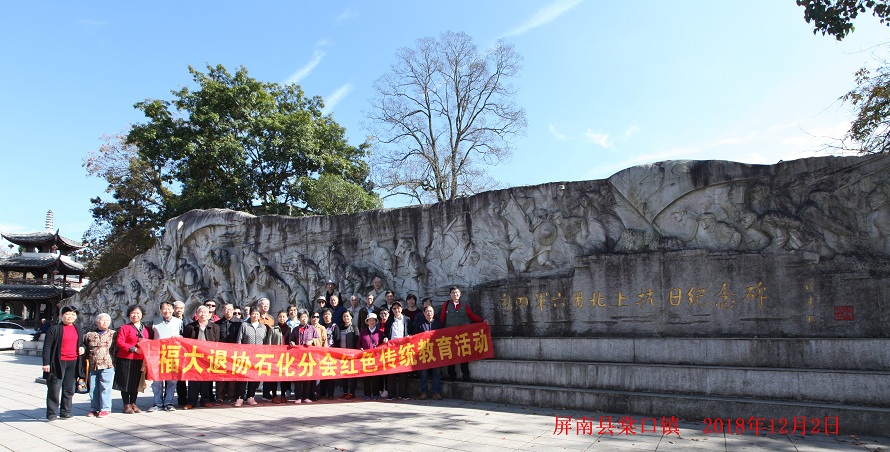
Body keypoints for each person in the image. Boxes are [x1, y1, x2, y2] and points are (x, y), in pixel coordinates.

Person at [42, 306, 85, 421]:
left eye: (73, 314)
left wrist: (82, 348)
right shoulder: (54, 329)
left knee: (69, 388)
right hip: (57, 362)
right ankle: (52, 413)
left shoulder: (78, 329)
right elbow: (47, 347)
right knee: (54, 388)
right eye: (67, 314)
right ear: (61, 316)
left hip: (73, 362)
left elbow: (81, 343)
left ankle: (66, 412)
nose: (70, 316)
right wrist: (46, 363)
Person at [439, 287, 485, 382]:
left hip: (462, 335)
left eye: (456, 292)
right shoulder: (446, 305)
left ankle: (466, 376)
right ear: (450, 295)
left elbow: (471, 315)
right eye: (453, 293)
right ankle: (452, 376)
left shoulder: (464, 305)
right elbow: (442, 317)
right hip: (449, 335)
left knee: (463, 355)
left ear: (460, 294)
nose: (455, 294)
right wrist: (439, 331)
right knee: (450, 355)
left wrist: (482, 321)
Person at [115, 305, 154, 414]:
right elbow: (120, 342)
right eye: (133, 313)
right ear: (129, 315)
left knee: (136, 382)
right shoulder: (125, 328)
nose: (135, 315)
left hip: (140, 359)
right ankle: (126, 404)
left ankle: (133, 403)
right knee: (125, 381)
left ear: (142, 315)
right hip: (126, 358)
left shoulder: (146, 329)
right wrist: (134, 349)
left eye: (137, 313)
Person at [182, 305, 220, 409]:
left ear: (209, 314)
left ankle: (205, 400)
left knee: (206, 380)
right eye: (200, 312)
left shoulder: (215, 327)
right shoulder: (190, 327)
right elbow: (185, 342)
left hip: (207, 357)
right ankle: (191, 401)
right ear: (197, 314)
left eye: (205, 312)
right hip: (193, 357)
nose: (203, 314)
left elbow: (217, 342)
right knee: (193, 380)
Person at [149, 301, 182, 412]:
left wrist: (179, 337)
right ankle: (157, 403)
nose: (166, 311)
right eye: (164, 309)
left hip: (173, 354)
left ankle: (169, 402)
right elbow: (150, 338)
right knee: (157, 380)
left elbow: (184, 337)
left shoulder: (179, 322)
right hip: (158, 354)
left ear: (173, 310)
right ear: (160, 310)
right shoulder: (155, 322)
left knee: (172, 380)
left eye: (169, 308)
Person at [234, 307, 268, 406]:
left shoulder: (263, 327)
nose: (255, 316)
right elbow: (239, 340)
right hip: (245, 355)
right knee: (243, 377)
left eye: (257, 314)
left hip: (257, 356)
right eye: (253, 313)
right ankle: (240, 397)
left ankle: (251, 396)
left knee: (253, 377)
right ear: (250, 314)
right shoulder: (244, 325)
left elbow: (265, 342)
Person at [84, 312, 115, 417]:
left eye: (107, 320)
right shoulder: (90, 335)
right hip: (93, 364)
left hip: (107, 364)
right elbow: (85, 348)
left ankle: (106, 408)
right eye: (102, 320)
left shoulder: (113, 334)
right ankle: (95, 408)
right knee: (93, 387)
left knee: (105, 387)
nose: (105, 322)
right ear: (97, 322)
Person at [290, 309, 320, 403]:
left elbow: (318, 340)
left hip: (309, 357)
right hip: (298, 357)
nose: (304, 319)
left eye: (305, 317)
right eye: (302, 317)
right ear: (299, 318)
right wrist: (292, 343)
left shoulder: (312, 328)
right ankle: (298, 397)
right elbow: (291, 340)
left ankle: (306, 396)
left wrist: (312, 341)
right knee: (298, 377)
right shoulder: (295, 329)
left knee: (307, 377)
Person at [384, 302, 412, 400]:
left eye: (398, 308)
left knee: (403, 372)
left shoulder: (407, 319)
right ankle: (391, 393)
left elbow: (412, 331)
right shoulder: (389, 321)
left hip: (404, 349)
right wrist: (386, 338)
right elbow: (386, 333)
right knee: (391, 372)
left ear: (402, 308)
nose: (396, 310)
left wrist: (410, 336)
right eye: (394, 308)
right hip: (392, 349)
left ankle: (403, 393)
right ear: (392, 310)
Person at [215, 303, 242, 404]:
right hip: (221, 353)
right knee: (220, 375)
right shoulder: (217, 324)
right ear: (222, 311)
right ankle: (220, 396)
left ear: (233, 311)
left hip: (234, 353)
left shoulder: (239, 323)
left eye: (230, 309)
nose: (228, 311)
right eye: (226, 309)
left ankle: (232, 396)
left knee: (232, 375)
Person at [415, 305, 443, 400]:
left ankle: (436, 392)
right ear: (424, 313)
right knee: (423, 373)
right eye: (427, 311)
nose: (429, 313)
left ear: (433, 313)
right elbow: (415, 337)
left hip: (436, 352)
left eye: (431, 311)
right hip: (424, 352)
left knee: (437, 373)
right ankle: (423, 392)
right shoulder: (420, 324)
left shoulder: (438, 324)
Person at [358, 312, 386, 400]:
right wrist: (361, 348)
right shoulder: (363, 332)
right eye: (370, 320)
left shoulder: (380, 333)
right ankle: (367, 394)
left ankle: (376, 394)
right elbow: (359, 343)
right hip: (366, 357)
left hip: (376, 358)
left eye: (373, 320)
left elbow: (382, 344)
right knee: (366, 376)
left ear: (376, 322)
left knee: (376, 376)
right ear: (367, 322)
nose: (371, 322)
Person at [266, 310, 291, 403]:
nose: (282, 318)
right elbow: (269, 342)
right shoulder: (273, 329)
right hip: (275, 356)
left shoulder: (289, 329)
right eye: (280, 316)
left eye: (284, 316)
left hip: (285, 356)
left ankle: (283, 395)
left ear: (287, 318)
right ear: (277, 318)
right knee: (274, 377)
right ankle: (274, 396)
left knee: (284, 377)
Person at [319, 308, 341, 399]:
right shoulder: (320, 327)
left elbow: (337, 340)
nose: (326, 316)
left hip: (332, 354)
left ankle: (330, 394)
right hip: (322, 354)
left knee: (331, 374)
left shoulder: (334, 326)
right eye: (325, 314)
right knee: (322, 373)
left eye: (328, 314)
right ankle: (322, 392)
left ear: (331, 315)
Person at [338, 310, 359, 399]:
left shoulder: (354, 327)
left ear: (351, 317)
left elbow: (357, 340)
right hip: (342, 355)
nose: (346, 318)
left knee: (352, 374)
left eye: (347, 316)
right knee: (344, 374)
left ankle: (352, 392)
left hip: (352, 354)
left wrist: (356, 352)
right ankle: (345, 391)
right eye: (344, 316)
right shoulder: (340, 327)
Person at [172, 300, 188, 406]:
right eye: (177, 308)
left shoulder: (188, 321)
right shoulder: (169, 321)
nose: (179, 310)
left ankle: (183, 398)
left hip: (184, 352)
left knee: (182, 376)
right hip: (172, 351)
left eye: (181, 308)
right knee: (171, 376)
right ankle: (168, 399)